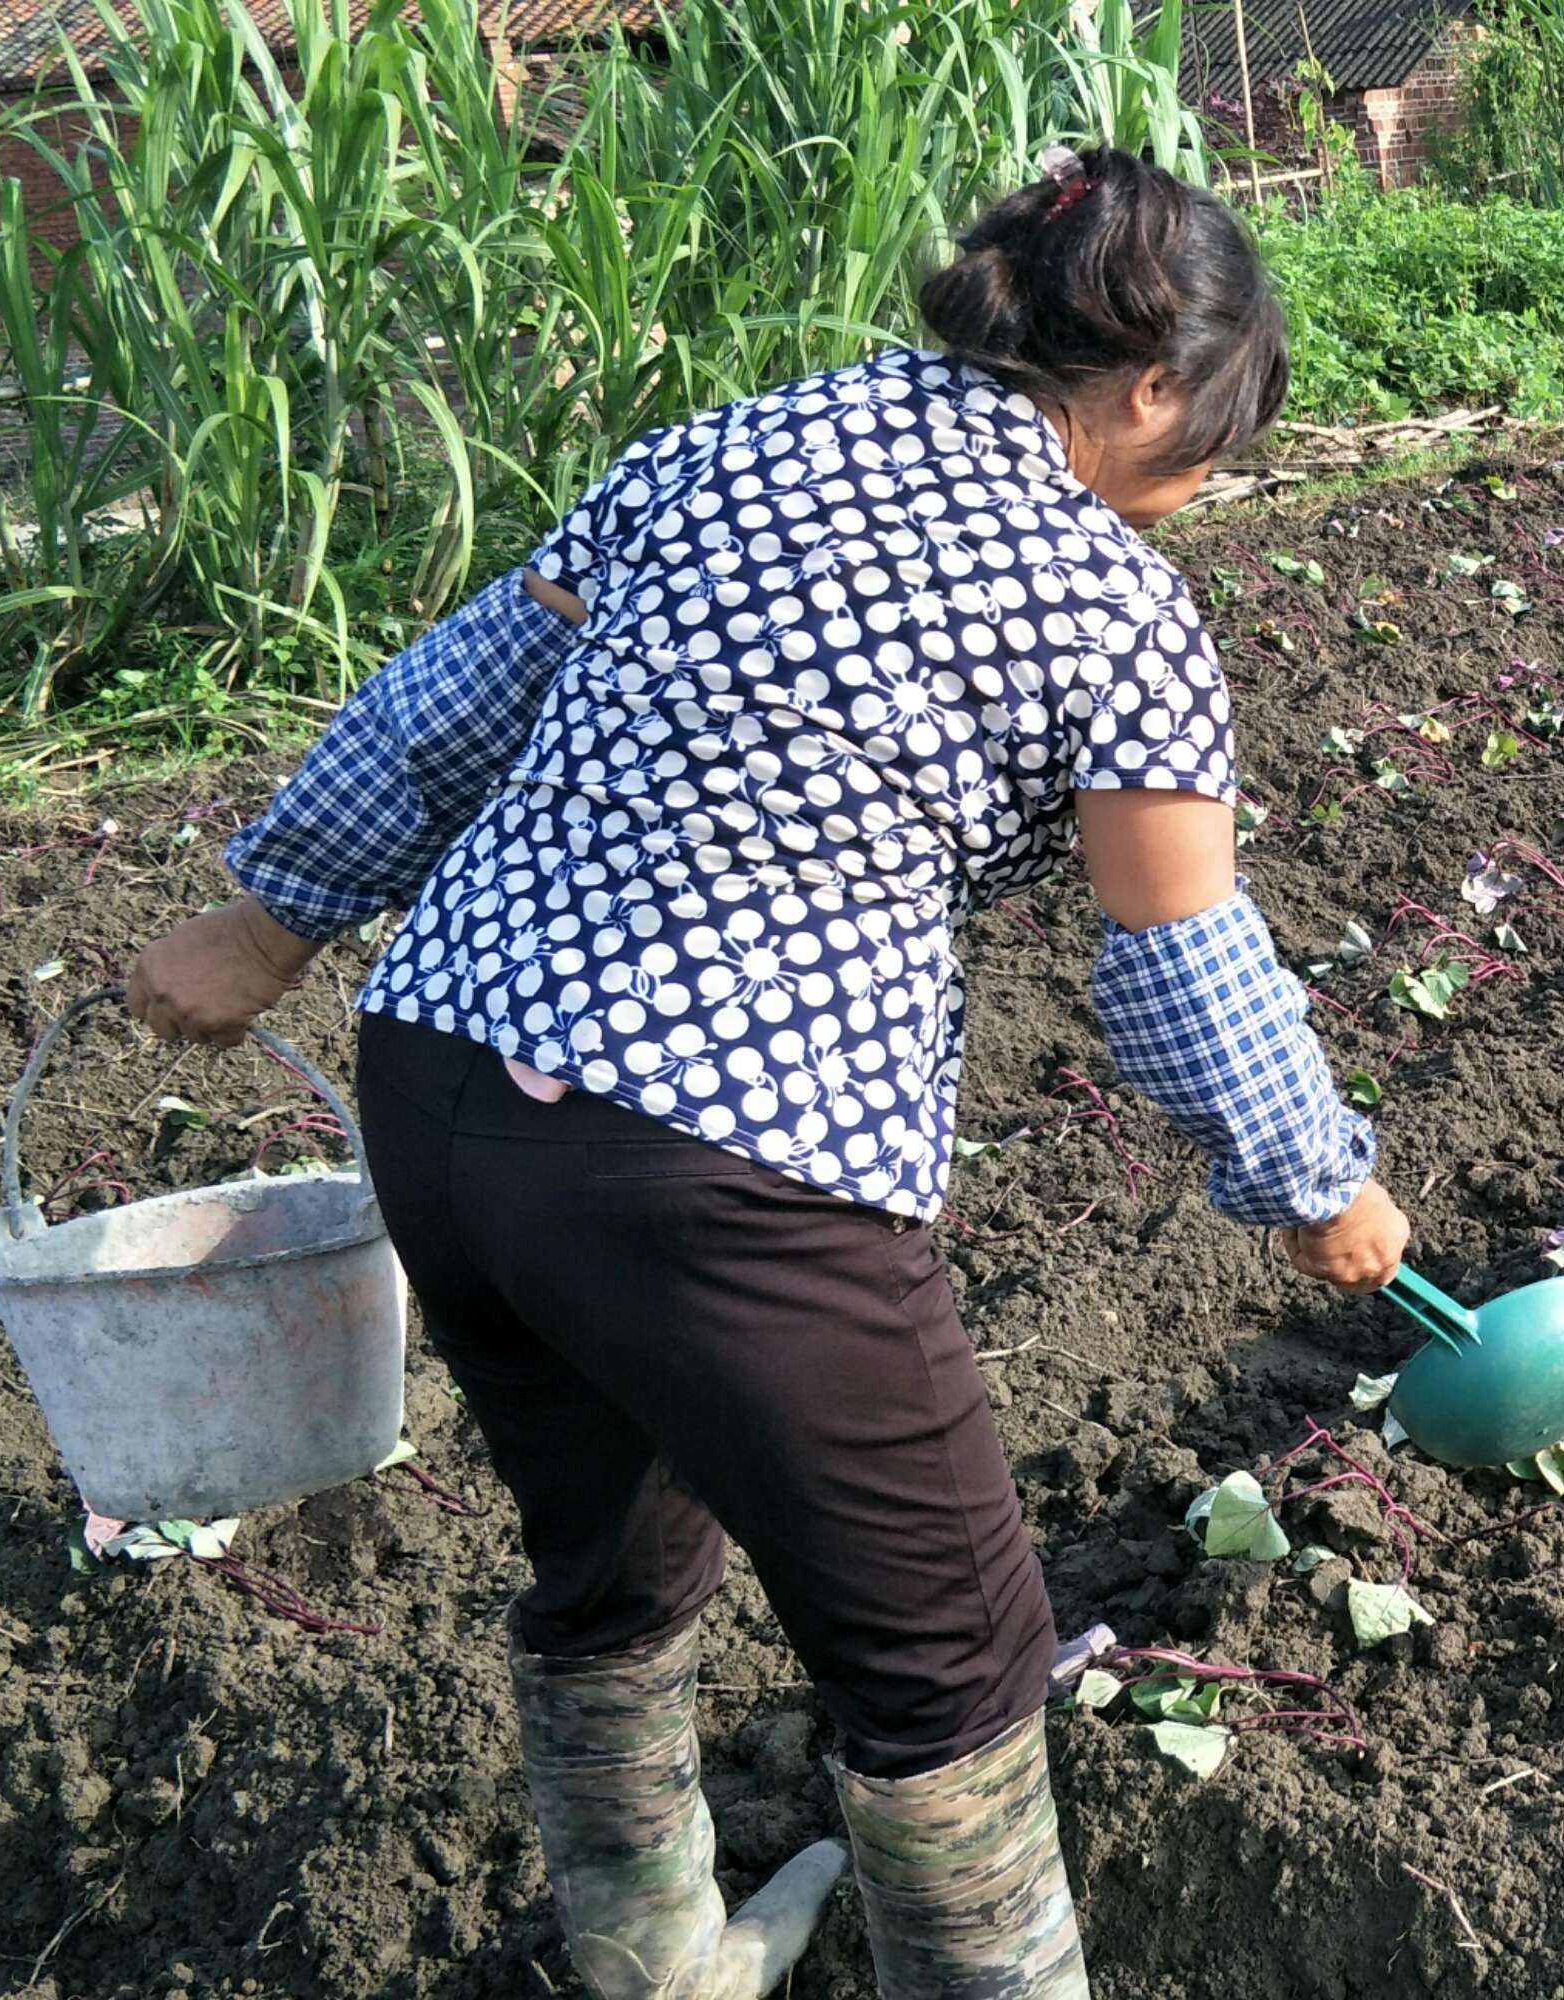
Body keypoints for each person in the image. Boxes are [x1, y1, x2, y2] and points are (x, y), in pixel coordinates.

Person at [124, 145, 1405, 2000]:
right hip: (720, 1166)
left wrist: (266, 926)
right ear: (1145, 387)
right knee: (955, 1657)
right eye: (1211, 437)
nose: (1199, 488)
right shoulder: (1110, 604)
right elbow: (1176, 954)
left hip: (447, 1097)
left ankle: (649, 1960)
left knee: (611, 1568)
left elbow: (452, 702)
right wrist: (1319, 1183)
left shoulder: (736, 445)